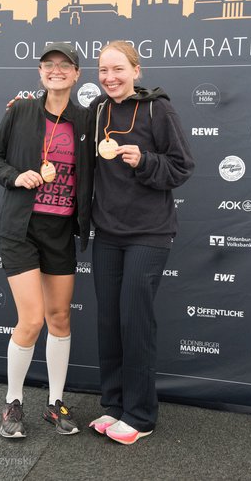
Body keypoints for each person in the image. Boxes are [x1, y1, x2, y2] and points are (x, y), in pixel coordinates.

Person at [0, 42, 94, 438]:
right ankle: (13, 403)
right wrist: (15, 176)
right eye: (49, 65)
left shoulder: (87, 120)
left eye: (65, 65)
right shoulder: (22, 110)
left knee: (60, 318)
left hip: (61, 230)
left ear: (78, 74)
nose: (56, 70)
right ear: (40, 72)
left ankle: (54, 403)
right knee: (30, 320)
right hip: (21, 228)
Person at [88, 40, 195, 445]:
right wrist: (23, 109)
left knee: (135, 322)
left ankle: (140, 415)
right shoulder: (98, 111)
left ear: (136, 70)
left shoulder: (157, 108)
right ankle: (115, 406)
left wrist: (145, 160)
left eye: (118, 69)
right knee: (110, 322)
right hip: (108, 232)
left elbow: (183, 165)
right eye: (103, 71)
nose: (110, 78)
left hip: (149, 233)